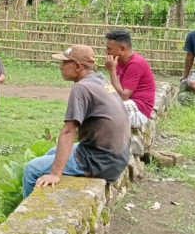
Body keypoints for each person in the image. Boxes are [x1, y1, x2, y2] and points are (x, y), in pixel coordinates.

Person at [23, 45, 130, 198]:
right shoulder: (100, 80)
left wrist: (55, 173)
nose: (60, 67)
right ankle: (47, 196)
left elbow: (68, 131)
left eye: (64, 63)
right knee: (52, 152)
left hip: (100, 161)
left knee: (32, 169)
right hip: (116, 157)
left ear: (78, 66)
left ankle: (29, 217)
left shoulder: (81, 88)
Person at [103, 28, 156, 129]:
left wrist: (111, 70)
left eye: (109, 48)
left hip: (140, 111)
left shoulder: (135, 64)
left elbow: (123, 96)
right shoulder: (119, 61)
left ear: (122, 49)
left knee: (103, 110)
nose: (107, 52)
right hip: (128, 103)